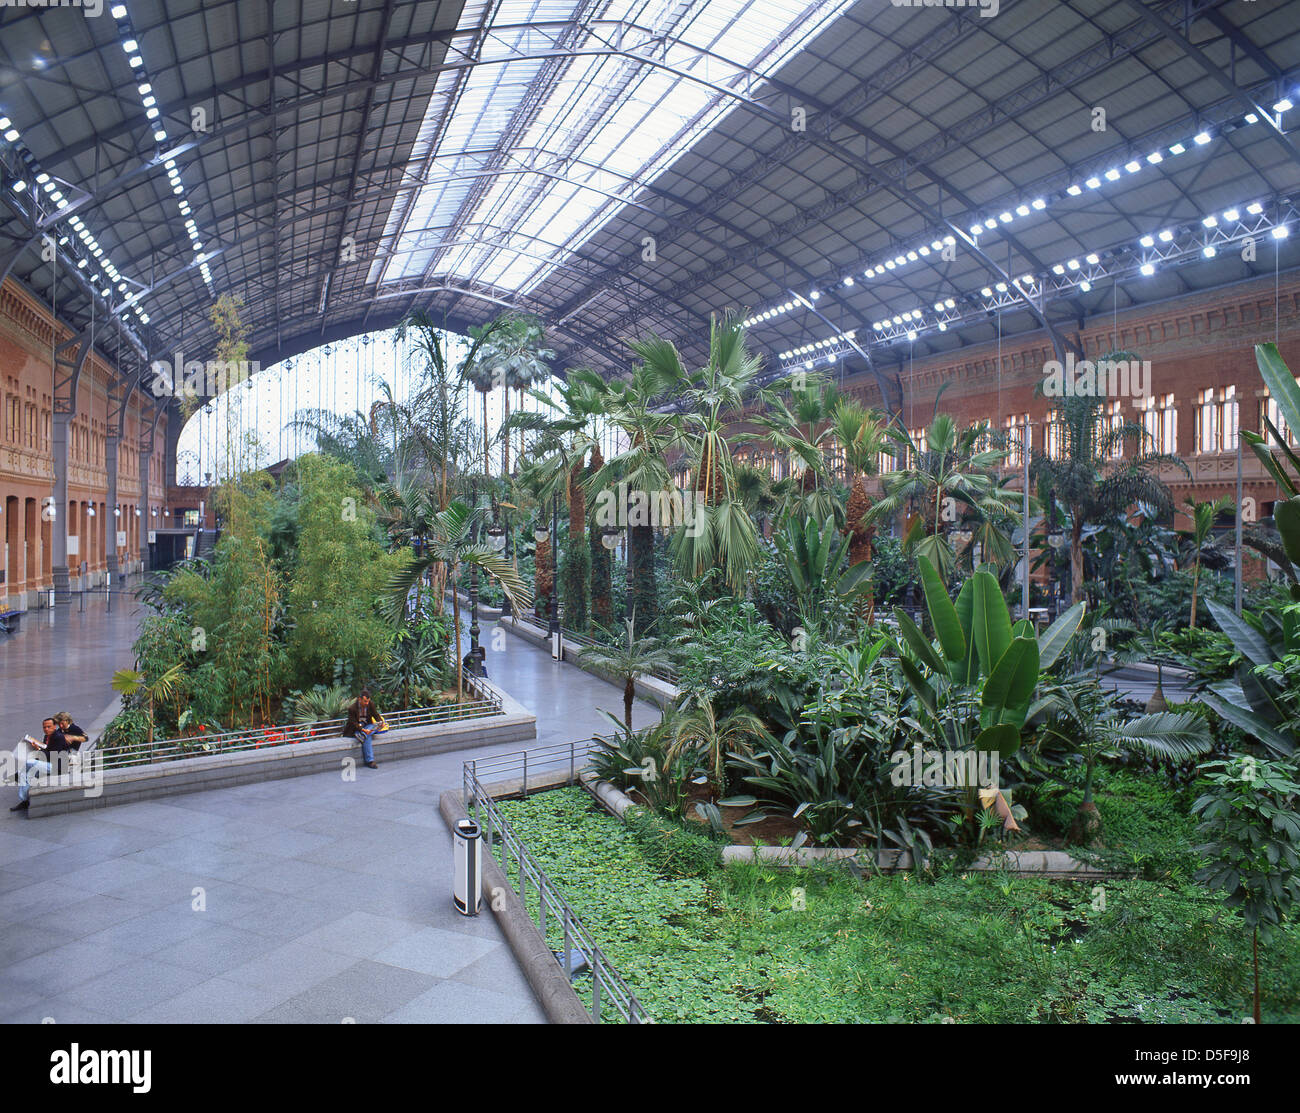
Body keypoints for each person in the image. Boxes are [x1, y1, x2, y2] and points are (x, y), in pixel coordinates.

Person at [11, 717, 71, 813]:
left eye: (49, 727)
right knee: (25, 775)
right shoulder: (47, 737)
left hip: (57, 767)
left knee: (28, 763)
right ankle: (25, 801)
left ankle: (18, 775)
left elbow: (53, 756)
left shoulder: (58, 737)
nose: (46, 729)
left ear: (54, 726)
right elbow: (46, 751)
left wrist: (38, 750)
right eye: (44, 727)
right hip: (47, 764)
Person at [343, 690, 383, 770]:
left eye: (368, 701)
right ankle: (370, 761)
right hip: (356, 728)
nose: (367, 703)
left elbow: (375, 715)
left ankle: (362, 735)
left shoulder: (370, 704)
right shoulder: (352, 708)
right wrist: (363, 730)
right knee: (367, 736)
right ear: (359, 699)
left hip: (367, 726)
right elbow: (353, 723)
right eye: (365, 701)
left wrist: (380, 722)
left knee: (374, 727)